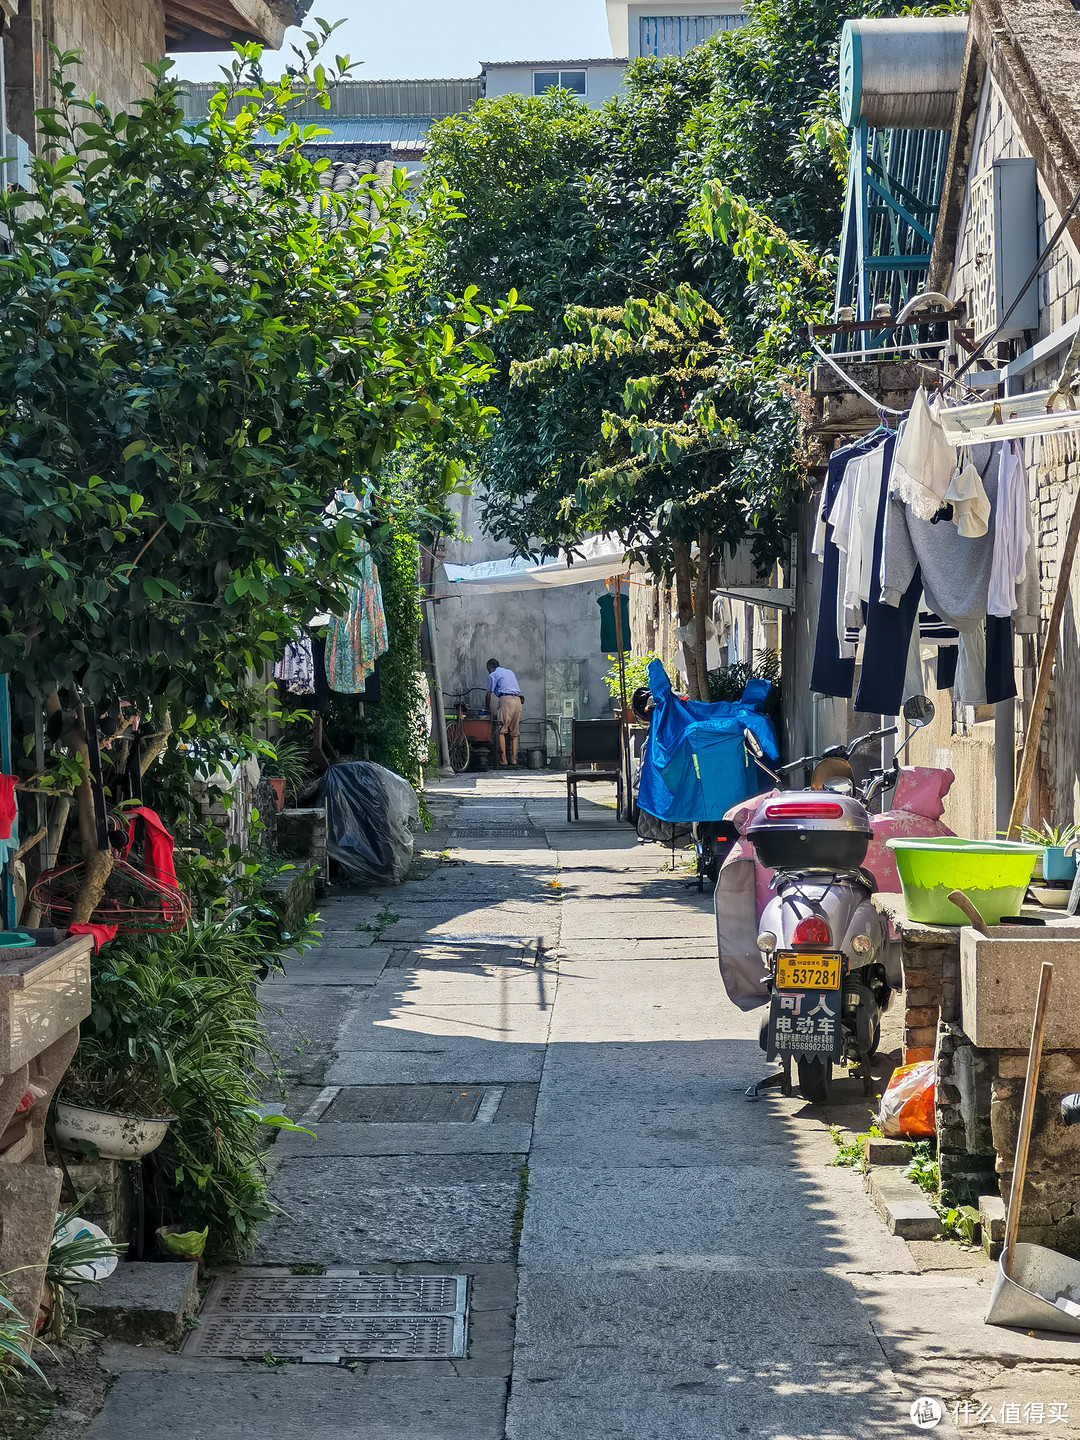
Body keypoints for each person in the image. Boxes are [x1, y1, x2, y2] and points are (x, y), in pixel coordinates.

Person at [485, 658, 524, 767]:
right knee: (514, 732)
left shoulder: (492, 675)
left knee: (501, 730)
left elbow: (488, 694)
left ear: (490, 668)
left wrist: (487, 709)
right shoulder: (509, 672)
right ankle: (514, 760)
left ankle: (504, 760)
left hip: (506, 700)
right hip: (518, 701)